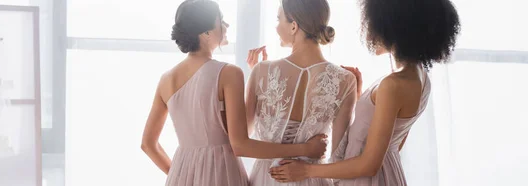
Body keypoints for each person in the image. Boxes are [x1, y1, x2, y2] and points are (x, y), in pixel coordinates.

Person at [268, 0, 461, 185]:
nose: (369, 32)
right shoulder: (420, 77)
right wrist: (361, 99)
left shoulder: (392, 85)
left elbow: (368, 165)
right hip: (389, 174)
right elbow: (393, 142)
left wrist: (306, 170)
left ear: (393, 27)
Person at [140, 1, 327, 185]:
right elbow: (241, 145)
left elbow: (148, 144)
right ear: (205, 33)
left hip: (181, 175)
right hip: (221, 173)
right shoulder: (228, 73)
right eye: (220, 20)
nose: (226, 25)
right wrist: (306, 149)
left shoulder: (166, 79)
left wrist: (179, 175)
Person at [245, 0, 358, 185]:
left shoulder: (261, 71)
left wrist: (257, 76)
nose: (276, 26)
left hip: (267, 178)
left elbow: (244, 144)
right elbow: (339, 158)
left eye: (278, 19)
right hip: (313, 180)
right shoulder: (345, 80)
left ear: (294, 26)